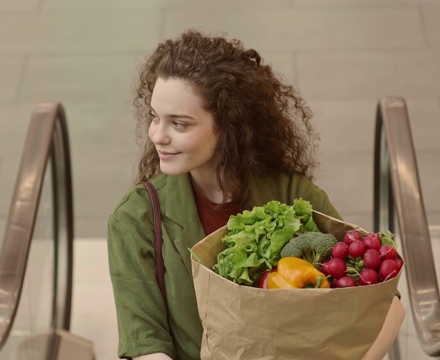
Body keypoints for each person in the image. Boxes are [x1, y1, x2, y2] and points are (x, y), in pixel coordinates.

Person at [107, 30, 401, 360]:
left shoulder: (291, 194)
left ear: (228, 125)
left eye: (179, 124)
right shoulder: (136, 218)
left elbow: (384, 300)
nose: (158, 136)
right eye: (154, 117)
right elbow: (145, 344)